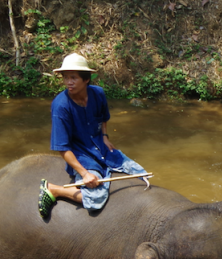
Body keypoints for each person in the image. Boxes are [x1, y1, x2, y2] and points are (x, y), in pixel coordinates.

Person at [38, 53, 150, 219]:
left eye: (74, 78)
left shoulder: (98, 94)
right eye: (66, 78)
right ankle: (54, 189)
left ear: (86, 79)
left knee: (142, 174)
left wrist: (104, 136)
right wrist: (85, 174)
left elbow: (103, 117)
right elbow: (63, 148)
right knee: (94, 200)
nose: (69, 82)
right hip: (82, 154)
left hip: (102, 147)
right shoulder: (61, 107)